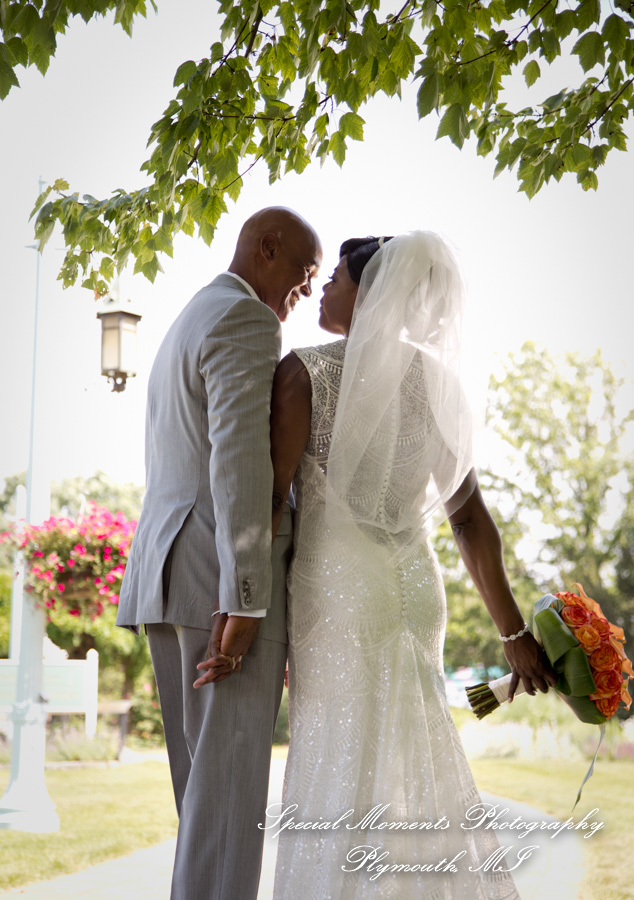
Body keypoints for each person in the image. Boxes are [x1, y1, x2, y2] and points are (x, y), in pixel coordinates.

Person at [267, 232, 556, 898]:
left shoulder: (304, 370)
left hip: (337, 589)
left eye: (336, 277)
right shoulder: (441, 384)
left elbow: (270, 505)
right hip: (415, 587)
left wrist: (247, 609)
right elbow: (468, 517)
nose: (326, 288)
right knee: (415, 755)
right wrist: (513, 635)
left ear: (372, 291)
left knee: (339, 755)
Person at [115, 207, 323, 900]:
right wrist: (246, 598)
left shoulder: (191, 315)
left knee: (205, 809)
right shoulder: (245, 319)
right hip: (216, 586)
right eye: (304, 272)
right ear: (267, 247)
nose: (305, 291)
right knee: (228, 809)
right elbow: (239, 467)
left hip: (167, 574)